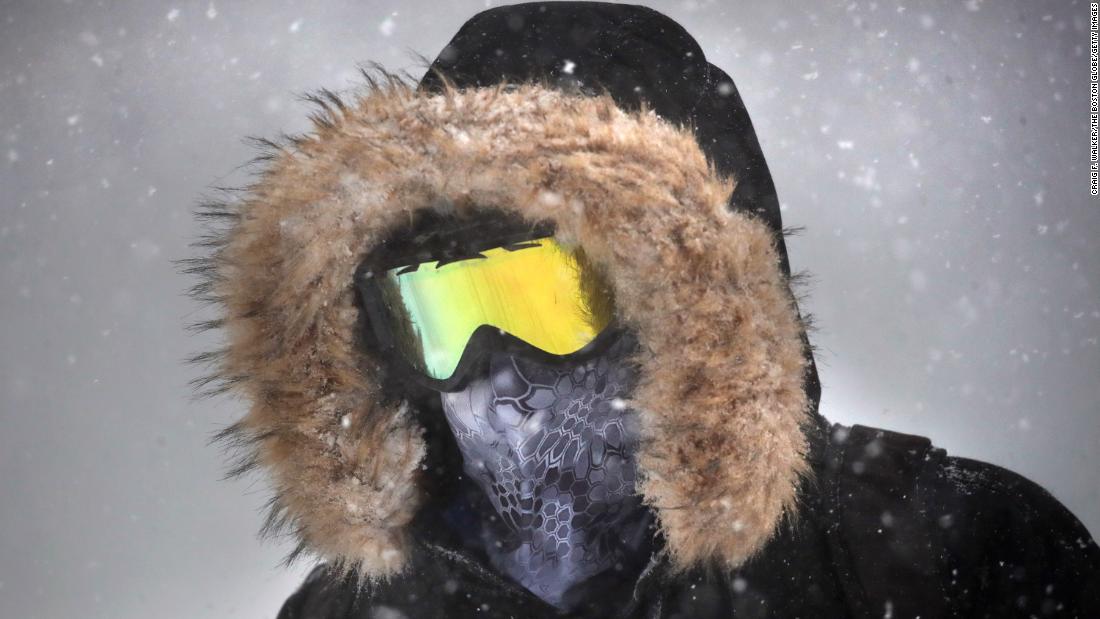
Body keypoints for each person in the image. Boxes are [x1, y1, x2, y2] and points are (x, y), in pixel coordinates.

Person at [189, 3, 1099, 617]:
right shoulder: (352, 612)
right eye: (442, 312)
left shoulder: (946, 555)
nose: (500, 382)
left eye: (544, 298)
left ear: (685, 315)